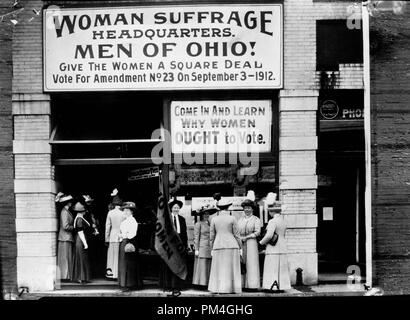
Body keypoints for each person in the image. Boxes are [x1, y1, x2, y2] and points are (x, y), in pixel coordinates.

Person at [208, 198, 242, 294]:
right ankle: (232, 288)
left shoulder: (214, 219)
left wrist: (211, 248)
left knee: (219, 268)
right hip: (232, 245)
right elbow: (237, 235)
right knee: (231, 268)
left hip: (218, 245)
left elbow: (212, 236)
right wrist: (240, 247)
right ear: (228, 207)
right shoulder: (232, 218)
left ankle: (219, 288)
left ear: (219, 208)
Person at [259, 201, 291, 292]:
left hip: (273, 247)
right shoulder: (283, 221)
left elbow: (269, 235)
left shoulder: (272, 221)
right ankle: (281, 286)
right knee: (281, 268)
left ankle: (272, 286)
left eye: (269, 211)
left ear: (272, 212)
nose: (269, 213)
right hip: (282, 246)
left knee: (272, 267)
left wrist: (261, 242)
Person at [159, 198, 187, 295]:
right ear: (171, 208)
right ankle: (168, 285)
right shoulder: (167, 219)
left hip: (179, 247)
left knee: (178, 265)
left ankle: (177, 286)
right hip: (169, 246)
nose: (176, 209)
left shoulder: (182, 219)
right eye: (174, 207)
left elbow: (185, 234)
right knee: (169, 265)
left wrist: (185, 246)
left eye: (177, 208)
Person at [118, 201, 143, 291]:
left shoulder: (133, 221)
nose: (125, 212)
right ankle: (125, 283)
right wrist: (121, 236)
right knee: (124, 263)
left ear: (132, 212)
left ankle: (129, 284)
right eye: (124, 210)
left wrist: (124, 236)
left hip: (129, 242)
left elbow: (132, 234)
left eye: (128, 210)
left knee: (128, 264)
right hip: (124, 242)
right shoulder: (124, 221)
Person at [238, 199, 262, 290]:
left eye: (249, 208)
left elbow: (258, 232)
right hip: (241, 242)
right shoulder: (240, 220)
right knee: (242, 262)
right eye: (245, 208)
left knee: (251, 263)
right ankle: (242, 284)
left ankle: (252, 285)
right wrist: (239, 238)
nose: (247, 210)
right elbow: (237, 231)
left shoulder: (256, 219)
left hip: (251, 242)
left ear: (252, 209)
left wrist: (247, 237)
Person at [192, 204, 217, 287]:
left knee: (208, 265)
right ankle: (201, 283)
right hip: (202, 247)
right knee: (202, 265)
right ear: (201, 215)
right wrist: (196, 249)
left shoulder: (211, 223)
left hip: (210, 247)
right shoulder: (198, 224)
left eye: (207, 214)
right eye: (204, 214)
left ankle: (208, 283)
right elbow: (196, 236)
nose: (206, 215)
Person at [105, 193, 125, 279]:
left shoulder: (110, 213)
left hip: (112, 236)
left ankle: (111, 273)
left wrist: (106, 238)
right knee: (118, 255)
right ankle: (117, 273)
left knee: (111, 255)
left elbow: (107, 227)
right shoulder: (123, 214)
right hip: (120, 236)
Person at [72, 199, 92, 283]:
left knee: (81, 258)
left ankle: (81, 277)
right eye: (84, 210)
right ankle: (81, 278)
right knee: (81, 258)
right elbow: (80, 232)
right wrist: (85, 243)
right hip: (80, 240)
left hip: (79, 240)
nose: (85, 212)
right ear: (81, 211)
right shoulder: (79, 219)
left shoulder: (79, 217)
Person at [56, 193, 74, 281]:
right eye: (70, 201)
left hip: (66, 237)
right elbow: (65, 226)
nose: (71, 203)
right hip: (65, 237)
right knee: (65, 258)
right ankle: (64, 276)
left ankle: (66, 275)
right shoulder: (64, 212)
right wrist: (74, 227)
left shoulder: (66, 211)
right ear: (67, 203)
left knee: (66, 257)